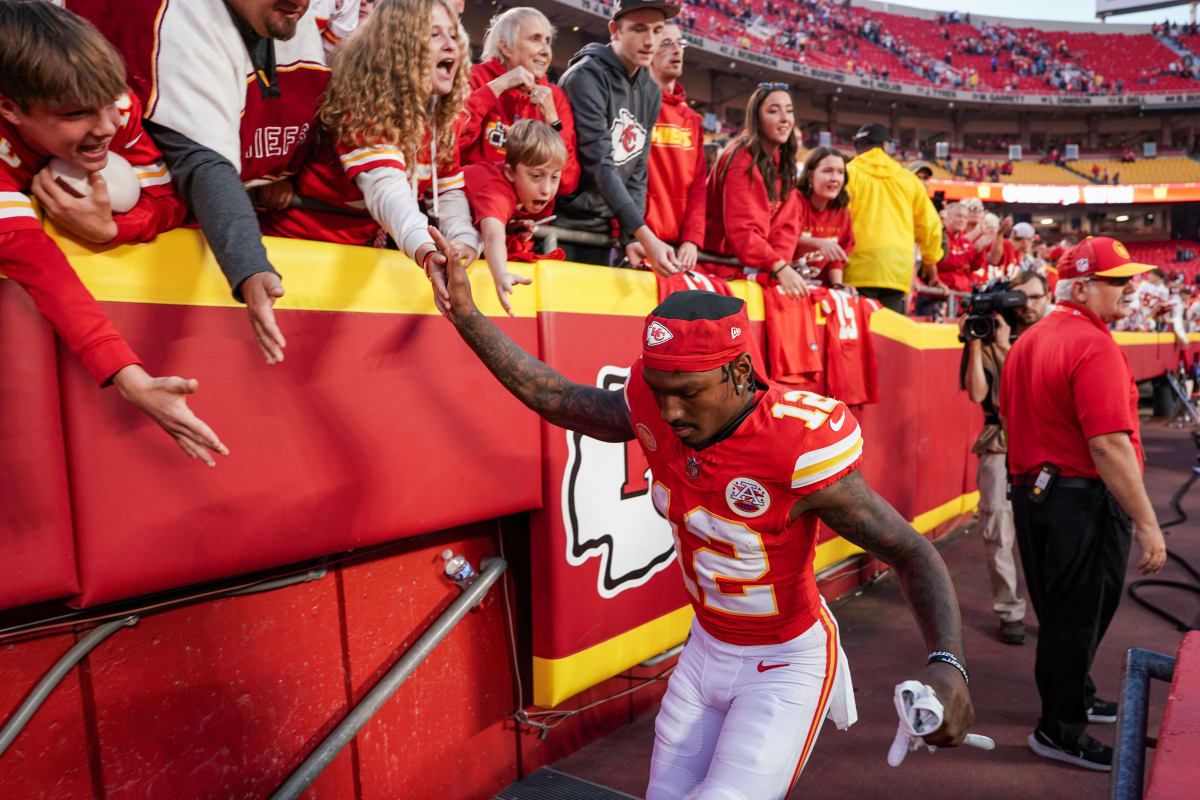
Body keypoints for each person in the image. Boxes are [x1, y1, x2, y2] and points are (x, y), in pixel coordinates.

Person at [429, 230, 974, 800]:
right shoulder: (656, 404)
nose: (668, 409)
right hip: (703, 650)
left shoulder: (794, 444)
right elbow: (558, 397)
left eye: (687, 392)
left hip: (784, 661)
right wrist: (466, 315)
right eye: (659, 388)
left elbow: (909, 549)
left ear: (740, 374)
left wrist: (949, 662)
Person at [0, 0, 225, 465]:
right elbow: (40, 267)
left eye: (109, 104)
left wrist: (111, 229)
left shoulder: (115, 106)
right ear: (10, 109)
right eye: (77, 113)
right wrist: (131, 377)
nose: (107, 127)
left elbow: (169, 202)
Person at [70, 0, 330, 366]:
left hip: (196, 214)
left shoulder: (283, 15)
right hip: (95, 228)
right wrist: (250, 266)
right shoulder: (178, 17)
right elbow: (201, 161)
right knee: (110, 186)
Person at [1000, 236, 1167, 771]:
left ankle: (1076, 693)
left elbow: (1009, 421)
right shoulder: (1092, 344)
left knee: (1063, 611)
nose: (1128, 288)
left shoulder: (1029, 339)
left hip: (1034, 492)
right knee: (1077, 614)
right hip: (1078, 496)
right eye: (1115, 281)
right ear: (1080, 286)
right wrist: (1147, 523)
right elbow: (1109, 444)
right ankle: (1059, 728)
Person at [258, 0, 479, 286]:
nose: (451, 45)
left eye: (452, 34)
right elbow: (387, 190)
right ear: (399, 44)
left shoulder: (440, 120)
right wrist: (427, 251)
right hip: (291, 250)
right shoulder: (363, 106)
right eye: (434, 35)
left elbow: (448, 192)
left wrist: (463, 240)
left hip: (357, 260)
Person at [557, 0, 680, 274]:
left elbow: (637, 170)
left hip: (603, 228)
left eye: (657, 30)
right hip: (564, 224)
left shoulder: (651, 91)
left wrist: (631, 236)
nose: (650, 41)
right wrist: (645, 234)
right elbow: (599, 163)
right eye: (639, 29)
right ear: (615, 30)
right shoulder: (585, 77)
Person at [960, 270, 1049, 646]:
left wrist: (1003, 347)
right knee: (996, 526)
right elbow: (978, 393)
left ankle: (1051, 610)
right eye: (1018, 298)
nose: (1025, 307)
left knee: (1049, 532)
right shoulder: (989, 330)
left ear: (1048, 296)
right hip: (998, 441)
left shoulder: (1051, 334)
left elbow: (1033, 389)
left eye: (1032, 298)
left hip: (1043, 444)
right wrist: (977, 343)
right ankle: (1010, 611)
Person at [459, 7, 579, 196]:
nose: (546, 51)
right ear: (506, 47)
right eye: (535, 39)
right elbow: (450, 143)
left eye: (548, 42)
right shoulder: (475, 79)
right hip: (472, 199)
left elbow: (567, 181)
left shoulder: (555, 98)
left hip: (525, 213)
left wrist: (552, 122)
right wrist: (497, 87)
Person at [701, 84, 805, 299]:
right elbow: (742, 230)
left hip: (745, 268)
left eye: (789, 110)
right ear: (757, 119)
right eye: (774, 111)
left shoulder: (782, 162)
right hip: (712, 268)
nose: (785, 118)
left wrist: (780, 266)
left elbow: (787, 226)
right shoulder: (741, 158)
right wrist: (777, 266)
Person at [464, 118, 565, 314]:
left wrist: (511, 226)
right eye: (536, 176)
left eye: (554, 177)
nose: (546, 189)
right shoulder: (497, 191)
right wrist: (501, 274)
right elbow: (493, 235)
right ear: (510, 172)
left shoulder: (522, 189)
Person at [844, 122, 943, 314]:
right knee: (888, 339)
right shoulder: (907, 179)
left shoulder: (848, 174)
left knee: (858, 337)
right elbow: (930, 224)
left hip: (856, 269)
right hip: (896, 272)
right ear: (885, 146)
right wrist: (931, 260)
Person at [644, 19, 705, 269]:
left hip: (679, 247)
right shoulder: (635, 105)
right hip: (641, 239)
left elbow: (698, 186)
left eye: (680, 43)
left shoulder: (692, 119)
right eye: (667, 43)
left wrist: (692, 239)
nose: (677, 50)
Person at [794, 146, 854, 288]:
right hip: (788, 284)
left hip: (820, 288)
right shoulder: (794, 201)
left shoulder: (842, 211)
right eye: (828, 171)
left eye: (840, 172)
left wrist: (837, 285)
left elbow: (836, 258)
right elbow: (782, 241)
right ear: (810, 175)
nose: (835, 178)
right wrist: (819, 244)